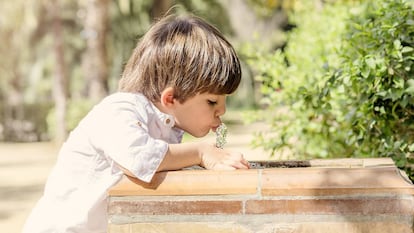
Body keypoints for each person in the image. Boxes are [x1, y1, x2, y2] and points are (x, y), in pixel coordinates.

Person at [22, 14, 250, 233]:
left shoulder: (168, 129)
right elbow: (139, 158)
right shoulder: (119, 111)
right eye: (212, 101)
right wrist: (201, 153)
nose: (222, 111)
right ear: (170, 98)